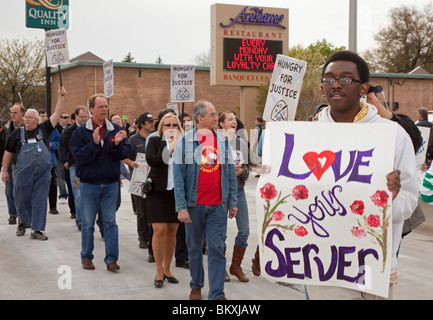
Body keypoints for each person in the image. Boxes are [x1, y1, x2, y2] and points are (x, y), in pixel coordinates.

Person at [307, 50, 419, 299]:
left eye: (346, 79)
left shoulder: (393, 135)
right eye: (329, 79)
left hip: (371, 268)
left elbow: (410, 201)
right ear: (322, 87)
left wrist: (391, 197)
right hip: (321, 265)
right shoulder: (307, 136)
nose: (335, 84)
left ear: (363, 88)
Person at [173, 101, 238, 300]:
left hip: (218, 205)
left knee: (217, 248)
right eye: (212, 114)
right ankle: (196, 285)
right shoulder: (185, 142)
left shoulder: (223, 141)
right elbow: (178, 177)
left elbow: (230, 173)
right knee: (194, 249)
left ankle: (217, 293)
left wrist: (232, 201)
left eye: (216, 114)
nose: (215, 118)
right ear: (199, 118)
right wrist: (181, 207)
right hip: (194, 206)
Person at [69, 94, 131, 272]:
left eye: (106, 106)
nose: (104, 109)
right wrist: (94, 144)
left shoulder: (116, 128)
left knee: (110, 222)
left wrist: (117, 143)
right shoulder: (81, 132)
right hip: (89, 184)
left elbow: (124, 152)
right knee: (88, 223)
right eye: (101, 106)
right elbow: (79, 156)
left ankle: (111, 259)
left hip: (111, 183)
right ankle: (87, 256)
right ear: (91, 109)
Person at [1, 87, 67, 240]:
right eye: (26, 117)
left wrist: (60, 97)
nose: (27, 120)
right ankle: (23, 222)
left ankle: (37, 229)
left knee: (39, 199)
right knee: (20, 198)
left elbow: (57, 114)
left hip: (43, 173)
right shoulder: (17, 133)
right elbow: (8, 152)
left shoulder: (44, 129)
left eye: (30, 117)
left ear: (37, 120)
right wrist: (4, 171)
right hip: (22, 172)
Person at [146, 113, 183, 288]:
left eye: (174, 125)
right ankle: (158, 271)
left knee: (172, 230)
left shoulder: (184, 143)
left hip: (176, 192)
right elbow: (152, 160)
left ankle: (167, 269)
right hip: (157, 191)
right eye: (167, 124)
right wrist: (170, 147)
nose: (171, 127)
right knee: (159, 229)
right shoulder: (155, 141)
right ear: (161, 127)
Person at [218, 111, 250, 283]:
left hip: (238, 191)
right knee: (220, 233)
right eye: (230, 119)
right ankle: (221, 268)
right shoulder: (214, 142)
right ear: (221, 124)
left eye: (235, 119)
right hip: (221, 192)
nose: (234, 122)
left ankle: (236, 266)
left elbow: (246, 169)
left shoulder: (241, 144)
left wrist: (240, 171)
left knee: (244, 231)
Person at [123, 112, 155, 249]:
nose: (153, 124)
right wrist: (132, 163)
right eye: (150, 122)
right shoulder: (133, 140)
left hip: (154, 179)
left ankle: (153, 236)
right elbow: (123, 157)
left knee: (153, 210)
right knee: (142, 212)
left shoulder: (156, 138)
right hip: (139, 179)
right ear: (142, 125)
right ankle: (143, 237)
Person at [60, 106, 89, 229]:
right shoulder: (69, 132)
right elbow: (67, 147)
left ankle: (89, 217)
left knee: (90, 193)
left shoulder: (91, 129)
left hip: (90, 166)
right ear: (75, 117)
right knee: (78, 192)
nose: (83, 119)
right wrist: (67, 160)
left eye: (85, 117)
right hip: (75, 166)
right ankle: (80, 220)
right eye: (81, 117)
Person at [0, 104, 25, 224]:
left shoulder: (28, 128)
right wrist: (3, 168)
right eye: (12, 113)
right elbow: (1, 148)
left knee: (22, 191)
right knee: (9, 191)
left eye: (15, 112)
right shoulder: (6, 129)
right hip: (10, 165)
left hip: (24, 165)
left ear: (22, 114)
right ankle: (12, 214)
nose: (12, 115)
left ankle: (23, 215)